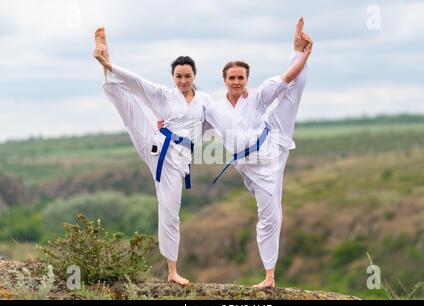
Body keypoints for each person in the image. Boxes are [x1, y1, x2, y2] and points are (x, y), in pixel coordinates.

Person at [94, 27, 211, 285]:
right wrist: (109, 64)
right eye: (178, 76)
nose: (183, 81)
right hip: (156, 145)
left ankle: (172, 272)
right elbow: (137, 82)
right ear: (173, 76)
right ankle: (105, 56)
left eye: (187, 76)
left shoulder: (205, 101)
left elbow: (219, 122)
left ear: (195, 76)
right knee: (127, 105)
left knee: (170, 213)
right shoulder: (164, 94)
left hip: (176, 162)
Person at [203, 17, 312, 288]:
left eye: (241, 77)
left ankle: (269, 277)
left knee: (270, 216)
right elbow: (191, 127)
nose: (237, 82)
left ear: (247, 79)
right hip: (248, 166)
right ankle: (268, 274)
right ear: (225, 80)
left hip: (272, 145)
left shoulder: (258, 96)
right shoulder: (214, 110)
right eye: (232, 78)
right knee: (265, 212)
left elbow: (288, 76)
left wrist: (303, 53)